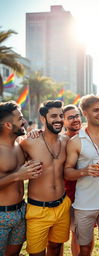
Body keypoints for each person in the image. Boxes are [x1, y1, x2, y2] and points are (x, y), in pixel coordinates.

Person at [64, 95, 99, 256]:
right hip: (84, 205)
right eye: (96, 110)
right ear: (85, 113)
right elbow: (67, 172)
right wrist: (84, 171)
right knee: (85, 249)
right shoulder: (76, 141)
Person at [20, 100, 71, 256]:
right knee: (37, 253)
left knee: (56, 247)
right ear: (43, 119)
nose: (58, 119)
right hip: (38, 209)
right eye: (53, 116)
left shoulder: (66, 141)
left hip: (62, 205)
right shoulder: (28, 142)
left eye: (61, 116)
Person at [0, 101, 42, 255]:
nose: (24, 121)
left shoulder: (20, 145)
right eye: (20, 119)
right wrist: (17, 175)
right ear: (8, 125)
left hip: (20, 212)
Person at [63, 104, 83, 256]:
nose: (75, 119)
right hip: (63, 195)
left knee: (79, 235)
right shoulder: (60, 140)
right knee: (58, 238)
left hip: (84, 194)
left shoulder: (87, 136)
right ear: (63, 121)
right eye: (70, 117)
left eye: (77, 116)